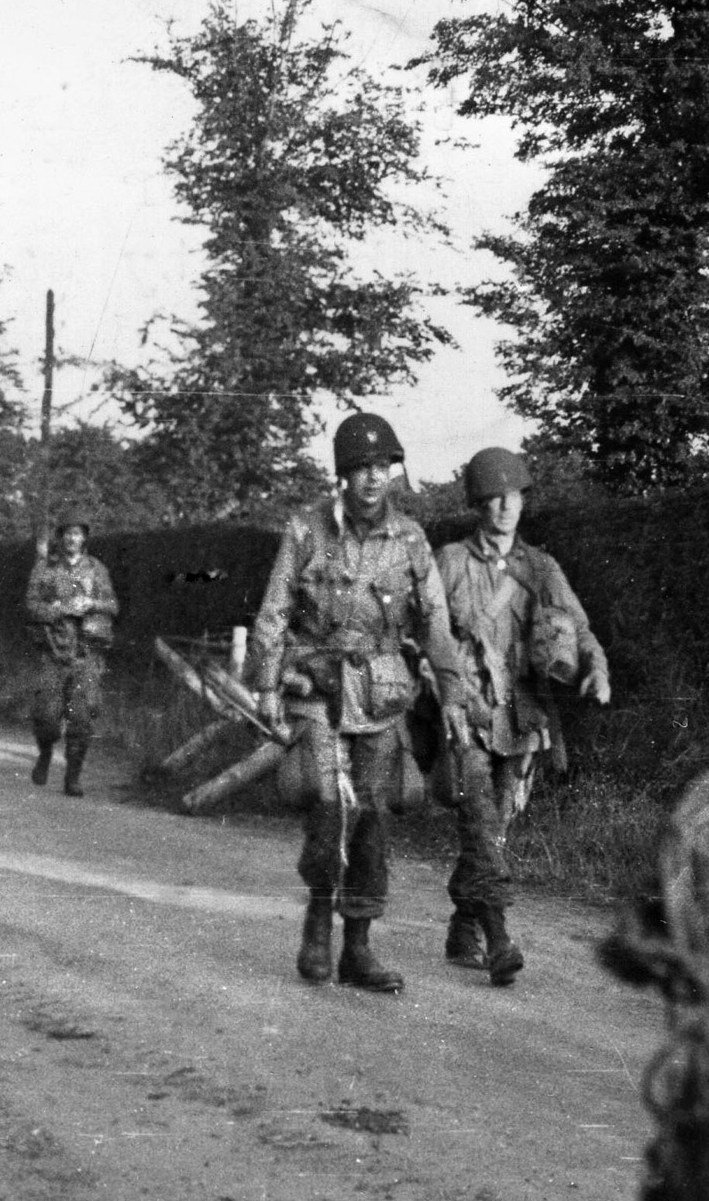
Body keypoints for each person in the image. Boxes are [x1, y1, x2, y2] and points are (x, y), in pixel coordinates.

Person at [249, 413, 473, 993]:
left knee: (372, 816)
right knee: (328, 809)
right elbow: (274, 611)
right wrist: (269, 686)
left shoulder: (411, 540)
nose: (372, 478)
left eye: (381, 466)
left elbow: (437, 623)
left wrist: (452, 696)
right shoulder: (306, 530)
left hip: (379, 692)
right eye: (359, 468)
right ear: (342, 474)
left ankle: (360, 947)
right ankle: (317, 924)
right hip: (318, 686)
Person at [429, 446, 610, 986]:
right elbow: (428, 629)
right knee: (482, 824)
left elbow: (577, 625)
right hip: (468, 713)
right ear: (477, 505)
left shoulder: (541, 567)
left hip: (525, 717)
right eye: (492, 498)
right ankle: (499, 938)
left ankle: (463, 927)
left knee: (496, 829)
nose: (505, 508)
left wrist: (597, 670)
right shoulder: (452, 562)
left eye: (512, 497)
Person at [23, 512, 118, 797]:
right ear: (61, 537)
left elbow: (113, 606)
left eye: (78, 534)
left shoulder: (96, 569)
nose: (72, 539)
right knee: (46, 717)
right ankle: (45, 753)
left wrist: (92, 603)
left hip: (87, 654)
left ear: (84, 537)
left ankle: (72, 777)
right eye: (68, 533)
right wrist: (60, 610)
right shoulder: (46, 568)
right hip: (53, 651)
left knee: (82, 719)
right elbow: (30, 605)